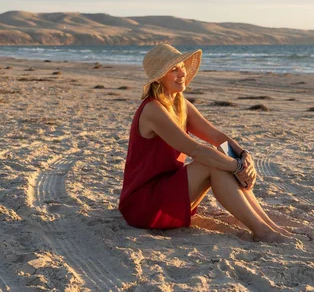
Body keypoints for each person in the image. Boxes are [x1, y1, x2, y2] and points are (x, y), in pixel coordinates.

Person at [119, 44, 289, 243]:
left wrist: (244, 156)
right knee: (212, 163)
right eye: (174, 69)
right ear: (159, 76)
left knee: (221, 159)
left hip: (169, 189)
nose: (182, 73)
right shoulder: (153, 109)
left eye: (182, 66)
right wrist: (237, 167)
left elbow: (217, 137)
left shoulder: (180, 104)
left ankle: (269, 226)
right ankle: (263, 232)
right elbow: (196, 150)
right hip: (143, 205)